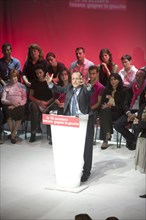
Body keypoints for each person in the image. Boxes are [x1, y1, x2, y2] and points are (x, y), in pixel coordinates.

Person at [46, 71, 94, 182]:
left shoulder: (85, 89)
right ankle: (73, 169)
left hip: (84, 121)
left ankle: (86, 172)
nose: (75, 81)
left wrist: (87, 84)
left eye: (77, 78)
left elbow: (91, 91)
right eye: (73, 79)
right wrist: (50, 84)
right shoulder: (69, 88)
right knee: (72, 147)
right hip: (71, 121)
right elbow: (58, 89)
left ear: (81, 79)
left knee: (86, 148)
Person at [114, 68, 146, 150]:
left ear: (144, 78)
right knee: (117, 125)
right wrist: (128, 113)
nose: (136, 77)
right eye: (136, 75)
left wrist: (135, 115)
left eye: (139, 76)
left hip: (141, 113)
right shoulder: (130, 88)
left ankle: (135, 143)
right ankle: (133, 139)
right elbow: (125, 104)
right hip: (130, 111)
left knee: (136, 125)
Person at [99, 73, 125, 149]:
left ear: (119, 80)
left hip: (118, 113)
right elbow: (102, 103)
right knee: (105, 111)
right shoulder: (106, 90)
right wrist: (106, 107)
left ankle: (106, 138)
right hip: (107, 113)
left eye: (115, 79)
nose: (112, 81)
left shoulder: (123, 91)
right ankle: (107, 135)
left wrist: (110, 107)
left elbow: (121, 107)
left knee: (105, 113)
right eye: (111, 79)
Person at [28, 65, 54, 143]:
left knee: (51, 110)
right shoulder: (34, 82)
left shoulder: (49, 81)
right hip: (37, 102)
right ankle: (33, 133)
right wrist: (39, 102)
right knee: (33, 106)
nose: (39, 75)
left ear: (44, 72)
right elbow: (30, 96)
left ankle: (50, 135)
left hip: (48, 103)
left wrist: (46, 103)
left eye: (40, 73)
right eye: (37, 73)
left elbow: (54, 96)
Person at [1, 69, 27, 144]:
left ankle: (13, 134)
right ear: (9, 77)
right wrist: (11, 103)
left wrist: (16, 105)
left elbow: (24, 99)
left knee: (20, 115)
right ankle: (13, 134)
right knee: (8, 115)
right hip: (8, 105)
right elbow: (3, 99)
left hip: (19, 105)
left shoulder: (22, 86)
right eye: (11, 77)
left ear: (17, 77)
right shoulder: (6, 86)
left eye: (15, 77)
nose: (13, 79)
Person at [133, 87, 146, 198]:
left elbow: (139, 123)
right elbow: (136, 122)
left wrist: (139, 123)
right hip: (143, 137)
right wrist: (139, 123)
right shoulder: (142, 106)